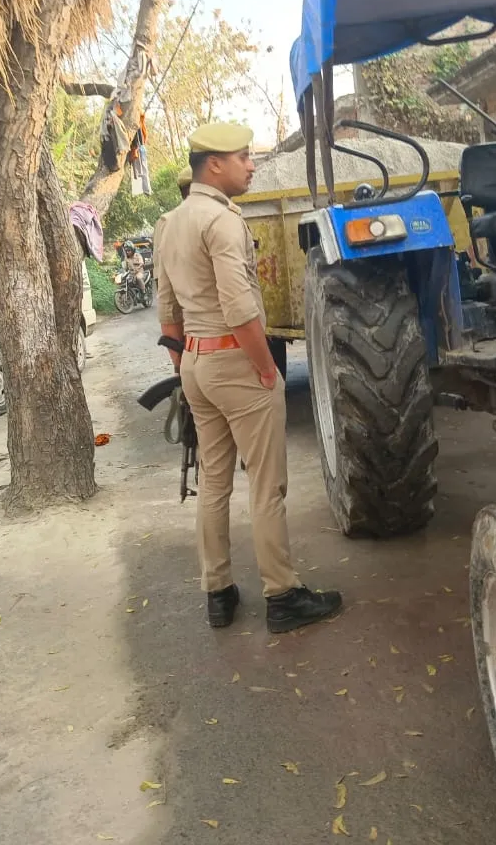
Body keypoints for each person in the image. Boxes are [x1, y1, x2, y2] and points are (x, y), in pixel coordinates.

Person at [154, 122, 342, 634]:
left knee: (214, 481)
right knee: (266, 483)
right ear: (214, 164)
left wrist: (188, 366)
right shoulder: (222, 222)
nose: (251, 165)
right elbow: (240, 309)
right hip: (235, 361)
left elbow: (167, 312)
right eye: (243, 157)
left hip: (195, 361)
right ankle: (282, 595)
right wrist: (265, 368)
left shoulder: (170, 223)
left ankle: (218, 593)